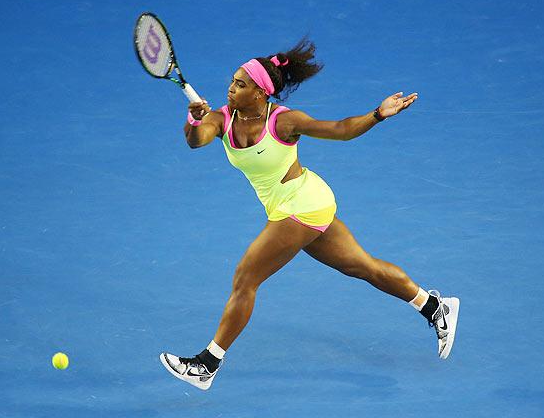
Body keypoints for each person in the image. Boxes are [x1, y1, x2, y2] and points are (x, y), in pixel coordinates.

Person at [159, 39, 459, 390]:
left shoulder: (285, 122)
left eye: (241, 84)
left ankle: (207, 364)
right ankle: (435, 307)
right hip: (293, 205)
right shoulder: (220, 118)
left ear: (260, 94)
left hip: (301, 205)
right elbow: (197, 141)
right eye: (232, 81)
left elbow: (340, 130)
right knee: (363, 266)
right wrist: (193, 120)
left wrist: (377, 114)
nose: (231, 88)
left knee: (246, 278)